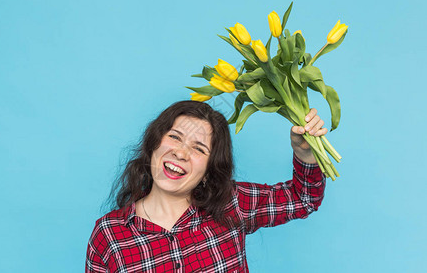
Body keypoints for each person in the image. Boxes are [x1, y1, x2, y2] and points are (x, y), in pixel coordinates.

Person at [85, 100, 327, 272]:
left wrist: (305, 152)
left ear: (208, 171)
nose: (180, 152)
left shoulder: (231, 204)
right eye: (174, 137)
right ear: (153, 146)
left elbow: (304, 198)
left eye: (199, 149)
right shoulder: (109, 235)